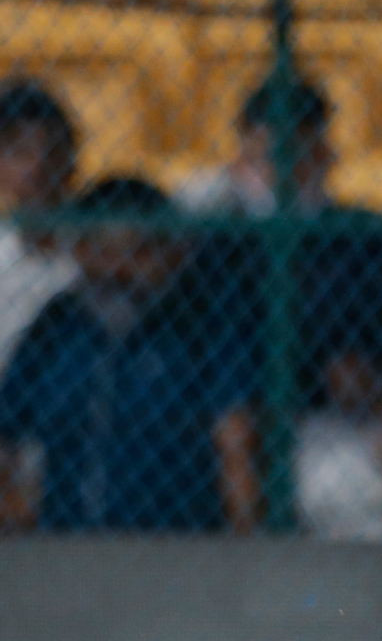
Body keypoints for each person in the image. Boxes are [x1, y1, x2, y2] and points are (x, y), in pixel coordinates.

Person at [180, 76, 382, 541]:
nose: (283, 171)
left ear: (324, 154)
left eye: (298, 152)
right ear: (241, 159)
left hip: (331, 424)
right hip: (214, 422)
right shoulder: (208, 241)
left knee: (353, 487)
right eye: (266, 155)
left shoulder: (365, 239)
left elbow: (363, 366)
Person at [0, 177, 255, 532]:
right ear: (79, 251)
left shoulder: (201, 328)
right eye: (102, 252)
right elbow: (7, 431)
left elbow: (235, 442)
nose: (118, 270)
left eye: (139, 253)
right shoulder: (58, 326)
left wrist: (244, 544)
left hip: (178, 548)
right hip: (64, 546)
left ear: (173, 253)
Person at [0, 81, 81, 528]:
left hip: (74, 436)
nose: (37, 167)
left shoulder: (96, 259)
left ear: (72, 162)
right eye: (18, 152)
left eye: (51, 151)